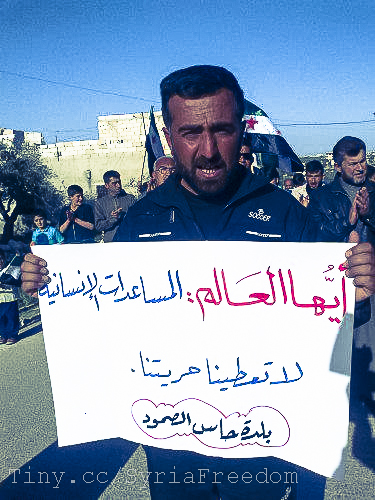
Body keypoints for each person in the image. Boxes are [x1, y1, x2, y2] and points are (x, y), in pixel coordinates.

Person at [20, 65, 375, 499]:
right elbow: (105, 316)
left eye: (221, 130)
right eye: (190, 133)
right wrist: (50, 284)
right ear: (169, 137)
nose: (208, 149)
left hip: (259, 447)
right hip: (172, 451)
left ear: (241, 131)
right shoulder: (142, 217)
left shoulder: (284, 212)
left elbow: (330, 305)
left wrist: (356, 290)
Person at [308, 137, 375, 244]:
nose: (360, 168)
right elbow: (313, 234)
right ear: (338, 167)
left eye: (362, 161)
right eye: (353, 164)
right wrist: (347, 222)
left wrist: (368, 216)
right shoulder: (319, 197)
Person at [94, 171, 135, 242]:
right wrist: (112, 220)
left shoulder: (130, 199)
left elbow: (137, 218)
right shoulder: (100, 203)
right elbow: (98, 226)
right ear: (106, 185)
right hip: (111, 241)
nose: (118, 185)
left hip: (128, 239)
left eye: (119, 182)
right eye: (114, 183)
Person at [0, 250, 20, 345]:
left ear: (4, 259)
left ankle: (13, 335)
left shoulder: (9, 269)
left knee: (11, 317)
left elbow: (15, 279)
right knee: (1, 319)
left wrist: (18, 256)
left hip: (10, 298)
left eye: (0, 259)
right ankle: (3, 335)